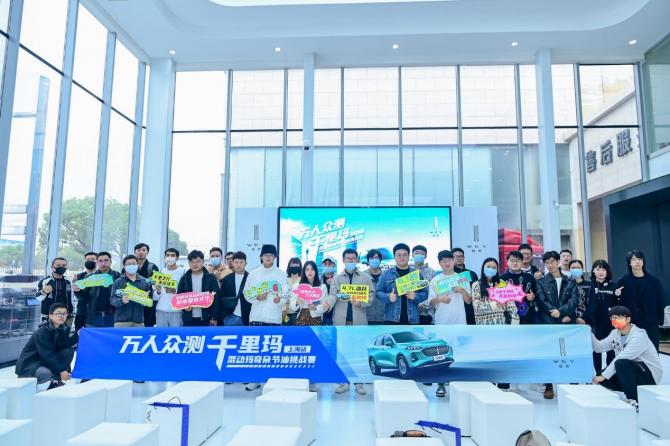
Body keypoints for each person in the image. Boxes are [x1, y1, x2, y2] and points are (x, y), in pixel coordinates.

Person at [592, 306, 663, 408]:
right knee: (602, 374)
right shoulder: (615, 333)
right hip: (631, 371)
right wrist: (588, 332)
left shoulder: (639, 336)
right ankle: (626, 388)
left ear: (628, 319)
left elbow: (622, 357)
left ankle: (634, 399)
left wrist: (604, 376)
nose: (614, 320)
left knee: (620, 364)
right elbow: (599, 347)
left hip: (649, 374)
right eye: (612, 318)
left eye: (617, 317)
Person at [242, 244, 288, 391]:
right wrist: (257, 297)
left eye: (271, 255)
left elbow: (285, 294)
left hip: (274, 316)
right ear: (261, 256)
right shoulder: (254, 274)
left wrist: (279, 300)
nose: (268, 257)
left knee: (273, 351)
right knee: (256, 350)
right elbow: (246, 293)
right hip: (257, 316)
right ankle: (254, 379)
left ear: (275, 257)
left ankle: (272, 380)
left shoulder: (281, 274)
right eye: (266, 254)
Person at [329, 249, 374, 395]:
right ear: (343, 260)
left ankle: (359, 383)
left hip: (358, 322)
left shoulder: (365, 277)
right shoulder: (337, 278)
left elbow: (371, 296)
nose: (350, 261)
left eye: (353, 259)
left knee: (358, 353)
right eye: (348, 259)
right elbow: (332, 296)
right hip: (341, 322)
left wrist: (360, 302)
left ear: (357, 260)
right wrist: (326, 305)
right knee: (342, 353)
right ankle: (343, 382)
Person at [536, 250, 578, 399]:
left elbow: (574, 301)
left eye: (552, 261)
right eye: (547, 263)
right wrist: (554, 312)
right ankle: (548, 385)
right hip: (548, 322)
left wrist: (561, 312)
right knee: (549, 354)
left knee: (569, 352)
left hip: (566, 322)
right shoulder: (541, 282)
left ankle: (574, 383)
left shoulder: (570, 281)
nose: (550, 265)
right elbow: (541, 301)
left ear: (558, 262)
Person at [15, 303, 78, 392]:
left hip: (43, 361)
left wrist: (77, 335)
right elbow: (47, 355)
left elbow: (63, 345)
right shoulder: (42, 331)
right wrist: (61, 371)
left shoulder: (61, 329)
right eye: (58, 313)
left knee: (68, 352)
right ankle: (39, 392)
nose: (62, 316)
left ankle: (54, 381)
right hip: (30, 365)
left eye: (64, 314)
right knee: (45, 373)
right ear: (50, 316)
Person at [616, 250, 665, 351]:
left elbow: (660, 300)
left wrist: (660, 319)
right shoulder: (622, 281)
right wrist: (617, 296)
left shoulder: (654, 281)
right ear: (629, 263)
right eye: (634, 259)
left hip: (651, 322)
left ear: (643, 262)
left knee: (652, 351)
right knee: (632, 352)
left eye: (640, 259)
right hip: (631, 323)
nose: (637, 262)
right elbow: (620, 305)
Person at [376, 243, 429, 325]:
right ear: (394, 257)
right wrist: (388, 296)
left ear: (409, 256)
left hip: (412, 319)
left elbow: (425, 293)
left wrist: (415, 296)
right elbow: (378, 292)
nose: (402, 257)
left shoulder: (416, 274)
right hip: (391, 319)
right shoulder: (386, 274)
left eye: (404, 255)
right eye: (399, 255)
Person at [77, 252, 121, 328]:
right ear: (96, 263)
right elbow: (83, 297)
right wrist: (77, 291)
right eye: (100, 261)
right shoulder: (89, 277)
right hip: (93, 317)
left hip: (113, 316)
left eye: (106, 260)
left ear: (110, 262)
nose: (103, 263)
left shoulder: (117, 276)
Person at [177, 250, 220, 327]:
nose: (195, 264)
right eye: (192, 262)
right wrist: (184, 307)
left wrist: (214, 317)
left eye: (198, 261)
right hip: (188, 318)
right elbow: (179, 296)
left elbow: (216, 298)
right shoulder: (184, 278)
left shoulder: (210, 278)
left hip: (206, 318)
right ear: (189, 263)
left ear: (203, 262)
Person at [472, 257, 519, 326]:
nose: (491, 269)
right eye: (488, 267)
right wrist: (495, 304)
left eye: (494, 268)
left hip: (501, 324)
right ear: (483, 268)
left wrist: (515, 323)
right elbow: (477, 307)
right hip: (482, 325)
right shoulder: (476, 285)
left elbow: (511, 306)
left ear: (497, 270)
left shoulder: (503, 284)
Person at [590, 259, 619, 373]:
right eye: (598, 269)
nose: (601, 272)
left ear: (607, 271)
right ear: (593, 271)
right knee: (596, 350)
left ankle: (608, 373)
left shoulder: (614, 286)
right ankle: (597, 373)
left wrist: (618, 296)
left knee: (610, 349)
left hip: (610, 323)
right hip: (594, 323)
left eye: (603, 269)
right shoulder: (589, 285)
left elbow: (618, 306)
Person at [111, 255, 153, 328]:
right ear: (124, 267)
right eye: (128, 264)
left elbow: (151, 300)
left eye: (133, 264)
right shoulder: (118, 282)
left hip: (139, 322)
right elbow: (112, 300)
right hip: (121, 322)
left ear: (137, 265)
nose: (131, 266)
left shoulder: (144, 281)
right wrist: (121, 300)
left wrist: (146, 301)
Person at [501, 251, 537, 325]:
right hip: (508, 316)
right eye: (512, 260)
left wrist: (533, 297)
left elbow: (536, 294)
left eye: (518, 260)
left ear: (522, 262)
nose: (515, 263)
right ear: (507, 262)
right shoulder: (501, 279)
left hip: (527, 316)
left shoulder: (530, 277)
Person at [36, 257, 73, 326]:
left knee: (65, 333)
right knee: (47, 333)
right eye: (58, 265)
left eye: (64, 265)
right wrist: (43, 291)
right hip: (49, 317)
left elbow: (71, 298)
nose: (61, 267)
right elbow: (38, 298)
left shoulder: (68, 281)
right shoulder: (45, 281)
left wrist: (72, 313)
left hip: (66, 316)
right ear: (52, 267)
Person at [291, 261, 329, 327]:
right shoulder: (297, 286)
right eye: (307, 270)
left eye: (312, 269)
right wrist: (297, 302)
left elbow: (324, 305)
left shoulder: (322, 287)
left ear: (316, 271)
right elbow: (292, 307)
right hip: (301, 318)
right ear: (304, 272)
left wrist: (316, 308)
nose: (309, 272)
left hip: (317, 318)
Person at [155, 248, 185, 327]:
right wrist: (158, 291)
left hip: (176, 310)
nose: (170, 257)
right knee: (161, 333)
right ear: (164, 257)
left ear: (177, 258)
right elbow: (155, 296)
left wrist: (175, 291)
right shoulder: (161, 272)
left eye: (173, 255)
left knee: (176, 333)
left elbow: (186, 291)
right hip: (161, 309)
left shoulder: (182, 272)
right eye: (167, 255)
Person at [219, 251, 250, 326]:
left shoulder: (251, 278)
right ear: (232, 263)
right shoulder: (226, 279)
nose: (239, 265)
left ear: (246, 263)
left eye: (241, 262)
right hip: (230, 316)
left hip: (248, 316)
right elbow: (221, 297)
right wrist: (224, 315)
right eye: (236, 262)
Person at [133, 243, 159, 327]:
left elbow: (157, 284)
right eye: (138, 250)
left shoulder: (153, 267)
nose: (141, 252)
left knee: (148, 325)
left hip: (148, 302)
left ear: (147, 252)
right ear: (135, 252)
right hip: (133, 301)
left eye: (144, 250)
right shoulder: (129, 266)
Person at [452, 247, 478, 325]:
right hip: (455, 309)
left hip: (470, 309)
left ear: (464, 258)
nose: (459, 258)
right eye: (456, 256)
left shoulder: (472, 274)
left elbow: (476, 292)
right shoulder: (449, 276)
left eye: (461, 256)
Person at [73, 251, 98, 331]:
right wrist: (76, 290)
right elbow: (78, 296)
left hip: (96, 312)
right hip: (81, 310)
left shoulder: (100, 276)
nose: (90, 261)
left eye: (92, 259)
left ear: (97, 261)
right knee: (78, 334)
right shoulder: (79, 276)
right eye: (87, 259)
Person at [569, 259, 596, 328]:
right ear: (569, 269)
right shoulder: (565, 285)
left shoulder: (590, 285)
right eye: (573, 268)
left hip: (587, 321)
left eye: (578, 267)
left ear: (582, 269)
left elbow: (593, 304)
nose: (576, 269)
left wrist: (583, 318)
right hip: (569, 321)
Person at [413, 245, 435, 325]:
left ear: (425, 256)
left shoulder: (431, 272)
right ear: (412, 255)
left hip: (426, 312)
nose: (419, 255)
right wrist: (414, 305)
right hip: (410, 311)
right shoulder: (408, 270)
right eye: (416, 253)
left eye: (422, 253)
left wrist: (423, 305)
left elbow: (433, 291)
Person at [365, 249, 385, 325]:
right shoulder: (362, 276)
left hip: (384, 318)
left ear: (380, 260)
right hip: (366, 317)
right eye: (371, 258)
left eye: (376, 258)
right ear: (368, 261)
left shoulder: (387, 275)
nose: (374, 260)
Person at [284, 257, 303, 325]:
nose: (294, 267)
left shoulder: (302, 280)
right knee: (285, 330)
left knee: (296, 330)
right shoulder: (285, 279)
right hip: (285, 313)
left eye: (296, 265)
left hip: (297, 313)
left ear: (300, 267)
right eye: (292, 265)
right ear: (289, 266)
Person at [320, 256, 337, 325]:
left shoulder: (339, 278)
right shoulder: (319, 279)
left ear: (334, 265)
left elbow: (343, 295)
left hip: (334, 312)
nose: (327, 266)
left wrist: (334, 284)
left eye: (329, 264)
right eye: (325, 264)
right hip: (321, 313)